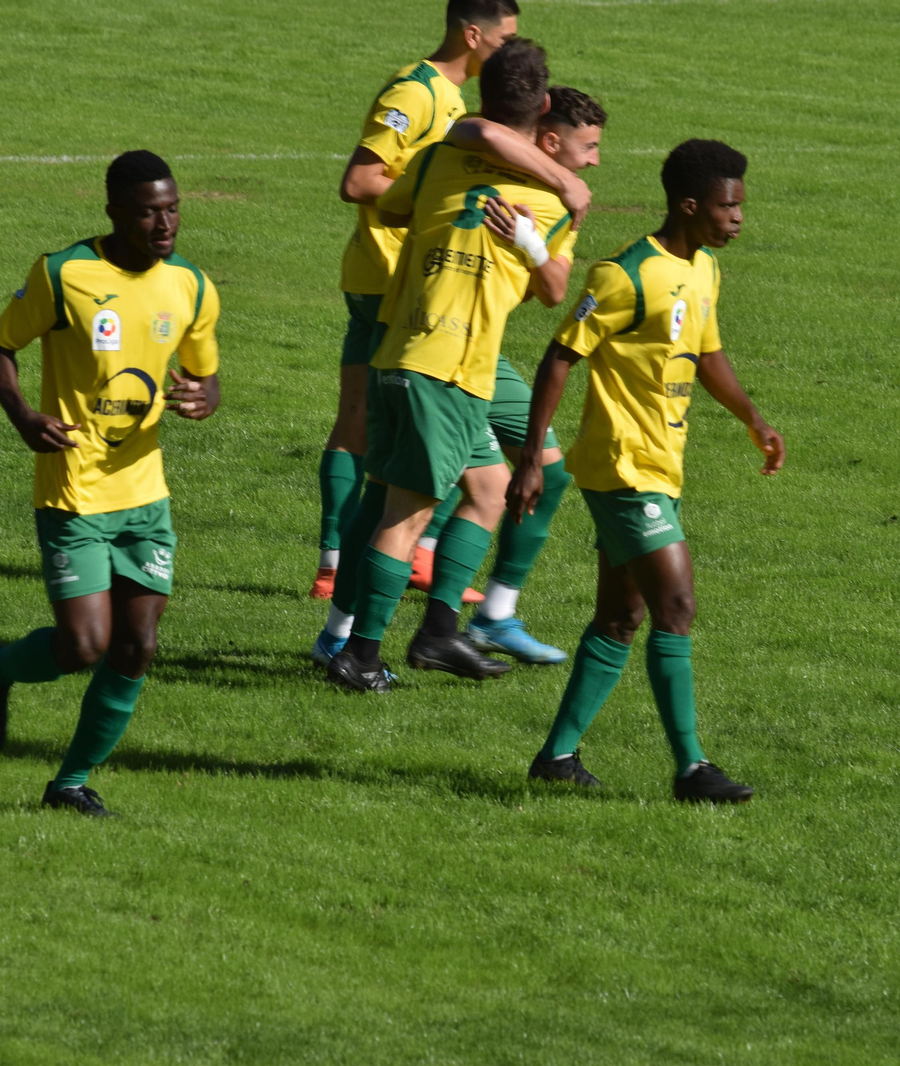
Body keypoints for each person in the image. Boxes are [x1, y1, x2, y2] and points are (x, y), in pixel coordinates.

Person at [506, 139, 784, 803]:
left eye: (740, 206)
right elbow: (559, 357)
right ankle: (692, 769)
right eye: (727, 207)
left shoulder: (705, 269)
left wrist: (752, 418)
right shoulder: (624, 275)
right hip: (623, 467)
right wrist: (530, 460)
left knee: (620, 616)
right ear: (690, 206)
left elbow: (706, 351)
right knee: (677, 606)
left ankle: (557, 757)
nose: (738, 217)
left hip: (661, 462)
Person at [0, 150, 221, 817]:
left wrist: (204, 396)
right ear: (113, 211)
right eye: (148, 212)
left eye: (172, 209)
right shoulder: (65, 274)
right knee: (84, 645)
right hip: (74, 492)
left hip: (145, 496)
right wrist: (23, 416)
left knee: (137, 644)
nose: (164, 224)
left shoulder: (191, 285)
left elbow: (205, 371)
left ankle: (69, 783)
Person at [312, 0, 591, 602]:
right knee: (416, 458)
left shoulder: (461, 109)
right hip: (405, 291)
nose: (511, 51)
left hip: (423, 295)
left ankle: (360, 586)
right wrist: (439, 201)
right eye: (505, 37)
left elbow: (478, 135)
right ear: (472, 35)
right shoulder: (419, 94)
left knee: (387, 451)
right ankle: (410, 589)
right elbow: (360, 183)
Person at [412, 87, 608, 665]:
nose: (595, 161)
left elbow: (551, 291)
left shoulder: (552, 205)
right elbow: (477, 130)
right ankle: (358, 632)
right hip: (441, 341)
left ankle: (489, 613)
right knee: (423, 495)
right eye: (588, 146)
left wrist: (527, 243)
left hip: (479, 349)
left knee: (536, 474)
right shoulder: (495, 167)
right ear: (550, 142)